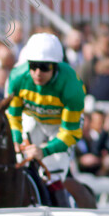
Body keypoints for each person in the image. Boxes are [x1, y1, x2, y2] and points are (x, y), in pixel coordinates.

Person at [6, 32, 85, 207]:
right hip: (32, 119)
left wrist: (45, 151)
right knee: (16, 163)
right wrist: (17, 139)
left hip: (60, 126)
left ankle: (63, 214)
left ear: (55, 66)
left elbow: (70, 132)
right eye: (33, 66)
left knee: (53, 173)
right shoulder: (17, 77)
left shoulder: (72, 87)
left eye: (44, 67)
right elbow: (13, 114)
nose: (37, 73)